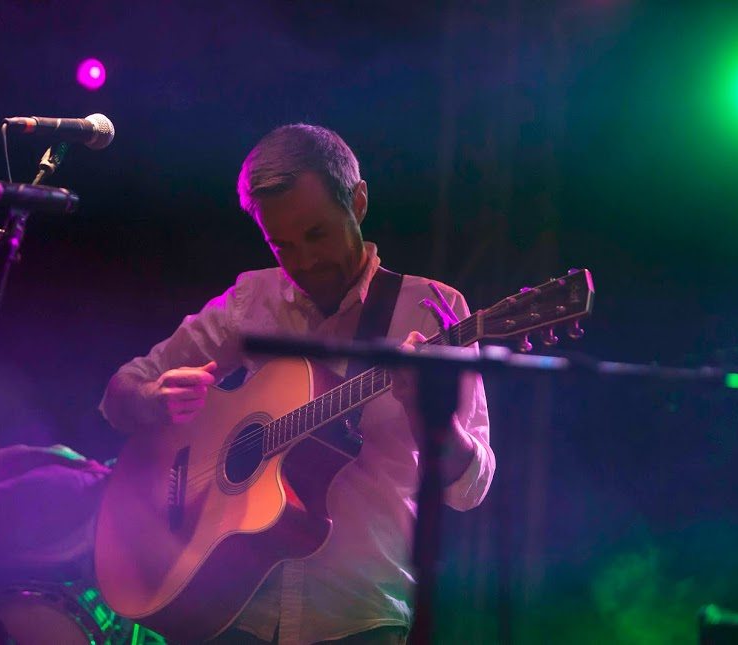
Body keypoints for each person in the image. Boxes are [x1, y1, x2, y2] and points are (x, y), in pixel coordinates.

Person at [99, 123, 495, 644]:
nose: (304, 262)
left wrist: (433, 419)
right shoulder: (251, 300)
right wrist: (154, 398)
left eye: (317, 234)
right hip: (231, 611)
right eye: (281, 245)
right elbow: (121, 392)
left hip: (358, 615)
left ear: (357, 202)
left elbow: (470, 488)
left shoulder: (432, 312)